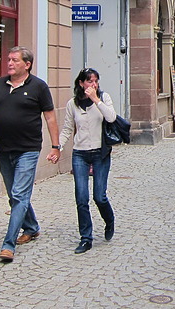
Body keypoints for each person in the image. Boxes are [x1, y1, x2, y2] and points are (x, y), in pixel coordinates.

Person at [0, 46, 60, 263]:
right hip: (4, 149)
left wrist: (55, 146)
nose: (9, 63)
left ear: (27, 64)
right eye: (8, 60)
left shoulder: (39, 86)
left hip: (28, 150)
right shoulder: (0, 84)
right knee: (14, 195)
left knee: (20, 195)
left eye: (14, 60)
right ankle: (31, 226)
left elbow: (50, 117)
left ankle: (8, 244)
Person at [59, 68, 117, 254]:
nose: (94, 85)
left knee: (99, 196)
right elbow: (68, 128)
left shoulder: (104, 98)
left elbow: (111, 117)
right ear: (81, 83)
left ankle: (109, 220)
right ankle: (86, 238)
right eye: (90, 81)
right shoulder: (72, 104)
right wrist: (57, 147)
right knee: (81, 198)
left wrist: (96, 99)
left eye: (96, 81)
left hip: (100, 153)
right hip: (80, 154)